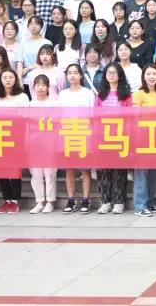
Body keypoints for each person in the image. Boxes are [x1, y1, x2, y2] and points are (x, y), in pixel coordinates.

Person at [0, 69, 29, 213]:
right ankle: (6, 199)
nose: (7, 80)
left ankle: (15, 200)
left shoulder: (22, 97)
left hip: (16, 137)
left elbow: (26, 118)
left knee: (14, 170)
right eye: (4, 77)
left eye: (10, 77)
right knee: (1, 169)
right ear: (0, 80)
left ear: (15, 79)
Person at [94, 64, 132, 214]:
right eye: (109, 72)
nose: (111, 75)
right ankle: (105, 201)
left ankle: (119, 202)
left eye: (115, 72)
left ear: (120, 75)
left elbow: (129, 117)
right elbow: (95, 116)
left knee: (119, 171)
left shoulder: (126, 95)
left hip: (120, 136)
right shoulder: (100, 95)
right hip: (103, 137)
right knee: (104, 171)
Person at [59, 64, 95, 213]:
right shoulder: (63, 94)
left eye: (75, 72)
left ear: (81, 75)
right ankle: (71, 200)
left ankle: (86, 199)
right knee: (69, 169)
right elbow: (59, 115)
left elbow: (92, 115)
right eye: (69, 73)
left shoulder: (88, 93)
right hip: (67, 133)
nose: (72, 75)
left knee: (85, 169)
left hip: (84, 132)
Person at [131, 65, 156, 217]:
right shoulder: (139, 94)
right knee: (141, 172)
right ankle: (140, 205)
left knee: (155, 172)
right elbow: (135, 118)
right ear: (143, 76)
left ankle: (150, 202)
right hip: (142, 138)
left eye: (154, 74)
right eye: (148, 74)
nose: (151, 77)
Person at [27, 74, 59, 214]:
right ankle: (39, 201)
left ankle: (50, 201)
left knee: (50, 172)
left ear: (48, 87)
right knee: (36, 173)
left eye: (43, 85)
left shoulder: (54, 104)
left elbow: (57, 123)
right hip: (34, 143)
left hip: (49, 142)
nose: (40, 88)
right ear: (33, 87)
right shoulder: (30, 104)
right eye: (38, 85)